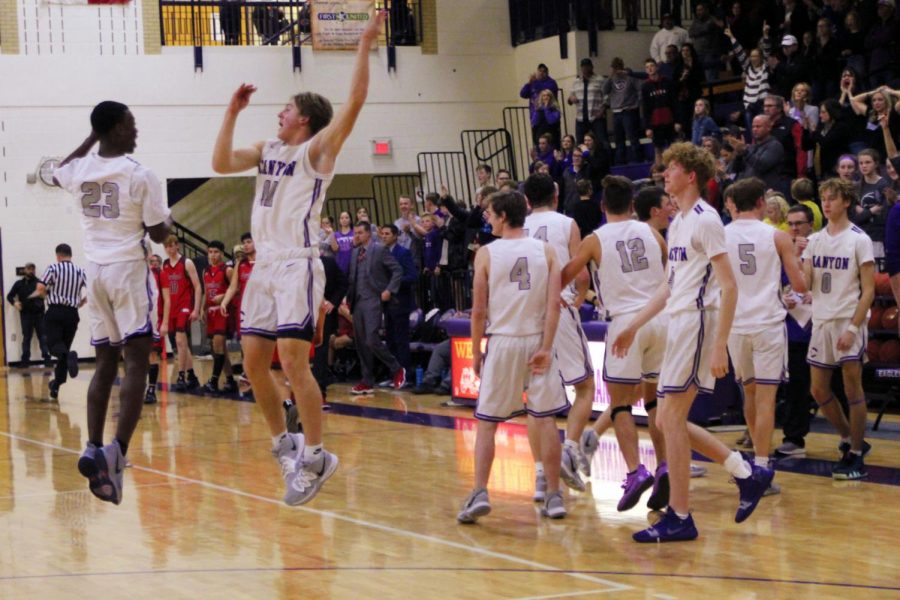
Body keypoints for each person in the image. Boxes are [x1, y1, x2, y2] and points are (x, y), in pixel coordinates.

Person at [210, 11, 388, 505]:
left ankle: (315, 453)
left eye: (285, 108)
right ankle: (283, 444)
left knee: (293, 360)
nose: (279, 114)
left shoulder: (316, 151)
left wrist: (364, 44)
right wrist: (231, 111)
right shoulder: (266, 147)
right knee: (251, 362)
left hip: (297, 264)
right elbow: (220, 163)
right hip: (263, 266)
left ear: (305, 117)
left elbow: (355, 102)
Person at [611, 143, 773, 543]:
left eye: (672, 168)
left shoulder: (707, 220)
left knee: (669, 420)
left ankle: (683, 515)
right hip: (679, 321)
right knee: (667, 420)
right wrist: (633, 325)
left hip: (699, 322)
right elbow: (669, 287)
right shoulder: (678, 220)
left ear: (691, 175)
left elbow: (729, 287)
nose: (665, 174)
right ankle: (744, 473)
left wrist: (720, 345)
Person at [52, 100, 172, 504]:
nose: (135, 130)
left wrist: (92, 136)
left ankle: (91, 444)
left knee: (104, 362)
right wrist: (166, 221)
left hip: (96, 271)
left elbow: (57, 171)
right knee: (137, 360)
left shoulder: (80, 169)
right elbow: (158, 233)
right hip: (127, 271)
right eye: (130, 123)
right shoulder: (141, 174)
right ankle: (117, 451)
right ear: (118, 127)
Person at [457, 190, 568, 523]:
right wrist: (547, 347)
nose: (487, 218)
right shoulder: (546, 251)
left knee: (488, 423)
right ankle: (553, 495)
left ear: (504, 216)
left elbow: (478, 311)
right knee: (545, 420)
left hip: (504, 340)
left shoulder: (487, 254)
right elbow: (553, 307)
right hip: (536, 340)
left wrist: (476, 350)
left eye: (490, 213)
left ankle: (479, 490)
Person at [562, 175, 670, 512]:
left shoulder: (595, 239)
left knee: (621, 403)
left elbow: (571, 274)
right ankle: (664, 465)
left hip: (626, 322)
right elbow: (669, 269)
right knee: (653, 401)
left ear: (603, 205)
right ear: (633, 205)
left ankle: (636, 471)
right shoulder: (652, 232)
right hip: (660, 318)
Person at [723, 178, 807, 493]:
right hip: (768, 323)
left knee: (750, 393)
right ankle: (761, 467)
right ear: (761, 202)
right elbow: (799, 286)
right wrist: (798, 256)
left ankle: (752, 469)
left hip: (734, 324)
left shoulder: (721, 234)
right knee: (767, 399)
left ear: (734, 202)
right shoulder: (778, 236)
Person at [522, 173, 592, 497]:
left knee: (536, 401)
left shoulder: (517, 228)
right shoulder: (567, 223)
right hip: (559, 309)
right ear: (556, 192)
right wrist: (582, 292)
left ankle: (540, 474)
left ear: (525, 200)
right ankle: (569, 449)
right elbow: (581, 270)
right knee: (585, 386)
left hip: (525, 315)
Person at [803, 178, 875, 480]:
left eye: (832, 198)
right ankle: (849, 437)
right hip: (821, 320)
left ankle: (856, 454)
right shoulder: (815, 240)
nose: (827, 203)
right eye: (823, 198)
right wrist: (798, 259)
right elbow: (805, 284)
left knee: (851, 387)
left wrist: (854, 327)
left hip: (848, 320)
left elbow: (869, 290)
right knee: (818, 389)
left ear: (846, 201)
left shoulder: (860, 239)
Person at [346, 221, 404, 395]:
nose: (357, 236)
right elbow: (353, 278)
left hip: (373, 299)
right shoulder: (355, 252)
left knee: (371, 338)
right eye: (355, 233)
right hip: (357, 301)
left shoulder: (379, 249)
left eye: (360, 233)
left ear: (368, 234)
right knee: (361, 343)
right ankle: (367, 380)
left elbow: (397, 270)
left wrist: (389, 289)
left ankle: (396, 368)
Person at [38, 244, 87, 401]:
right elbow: (93, 289)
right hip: (72, 314)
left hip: (55, 311)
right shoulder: (80, 271)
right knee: (63, 351)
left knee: (54, 347)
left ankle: (68, 356)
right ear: (70, 255)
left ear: (58, 256)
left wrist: (47, 296)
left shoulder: (53, 268)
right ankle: (56, 386)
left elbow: (40, 287)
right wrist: (81, 302)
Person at [160, 236, 202, 391]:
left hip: (184, 306)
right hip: (171, 307)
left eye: (172, 246)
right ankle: (192, 375)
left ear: (177, 246)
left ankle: (181, 376)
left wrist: (196, 308)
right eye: (167, 247)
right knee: (181, 344)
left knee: (179, 341)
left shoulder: (187, 263)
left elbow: (197, 287)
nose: (170, 249)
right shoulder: (165, 264)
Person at [379, 224, 417, 386]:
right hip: (387, 303)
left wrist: (392, 284)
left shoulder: (403, 252)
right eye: (382, 234)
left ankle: (406, 375)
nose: (384, 236)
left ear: (395, 235)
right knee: (391, 339)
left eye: (387, 233)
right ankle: (393, 374)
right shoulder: (381, 252)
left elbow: (413, 276)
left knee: (401, 340)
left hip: (400, 301)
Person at [202, 240, 237, 394]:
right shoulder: (206, 271)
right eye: (210, 252)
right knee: (218, 348)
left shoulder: (227, 270)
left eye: (216, 252)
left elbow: (237, 288)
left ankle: (214, 380)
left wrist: (223, 296)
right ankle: (230, 380)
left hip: (223, 312)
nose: (213, 255)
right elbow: (205, 291)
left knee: (218, 345)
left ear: (222, 254)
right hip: (210, 312)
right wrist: (202, 308)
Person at [6, 262, 51, 366]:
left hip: (39, 315)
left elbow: (47, 294)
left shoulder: (40, 282)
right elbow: (9, 296)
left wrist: (44, 295)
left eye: (33, 269)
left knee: (43, 337)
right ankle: (25, 360)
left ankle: (47, 359)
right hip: (25, 315)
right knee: (26, 337)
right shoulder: (18, 284)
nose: (31, 271)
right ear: (24, 270)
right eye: (29, 269)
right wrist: (15, 303)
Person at [603, 57, 643, 165]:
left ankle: (639, 160)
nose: (616, 70)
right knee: (619, 140)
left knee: (632, 137)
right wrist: (610, 77)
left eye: (618, 67)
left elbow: (640, 89)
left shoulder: (629, 76)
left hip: (628, 110)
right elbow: (604, 90)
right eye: (614, 67)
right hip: (616, 112)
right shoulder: (611, 79)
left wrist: (637, 104)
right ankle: (621, 162)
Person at [642, 58, 677, 166]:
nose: (650, 69)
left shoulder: (667, 82)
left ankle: (675, 169)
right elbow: (646, 108)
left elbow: (674, 102)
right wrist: (648, 127)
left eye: (652, 66)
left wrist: (677, 121)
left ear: (656, 67)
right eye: (647, 67)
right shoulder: (645, 86)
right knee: (658, 149)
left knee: (674, 148)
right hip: (655, 122)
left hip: (669, 120)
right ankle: (659, 173)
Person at [568, 58, 609, 149]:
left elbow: (607, 97)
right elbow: (570, 97)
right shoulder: (576, 82)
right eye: (583, 67)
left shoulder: (600, 80)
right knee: (580, 144)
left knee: (603, 141)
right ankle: (584, 162)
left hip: (596, 117)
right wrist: (572, 98)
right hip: (581, 118)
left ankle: (607, 161)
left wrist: (602, 110)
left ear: (591, 67)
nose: (585, 69)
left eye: (587, 66)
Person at [146, 253, 170, 405]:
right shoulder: (140, 274)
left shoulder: (161, 274)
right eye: (151, 261)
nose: (154, 264)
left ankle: (151, 390)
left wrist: (165, 322)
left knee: (153, 354)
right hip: (139, 319)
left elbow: (167, 299)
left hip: (156, 319)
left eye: (156, 262)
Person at [519, 63, 559, 142]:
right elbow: (523, 94)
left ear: (547, 73)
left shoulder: (551, 82)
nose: (541, 73)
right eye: (539, 71)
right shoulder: (533, 83)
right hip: (536, 114)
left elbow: (545, 91)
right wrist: (529, 83)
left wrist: (535, 82)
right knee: (537, 141)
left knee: (551, 141)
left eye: (543, 71)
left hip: (549, 115)